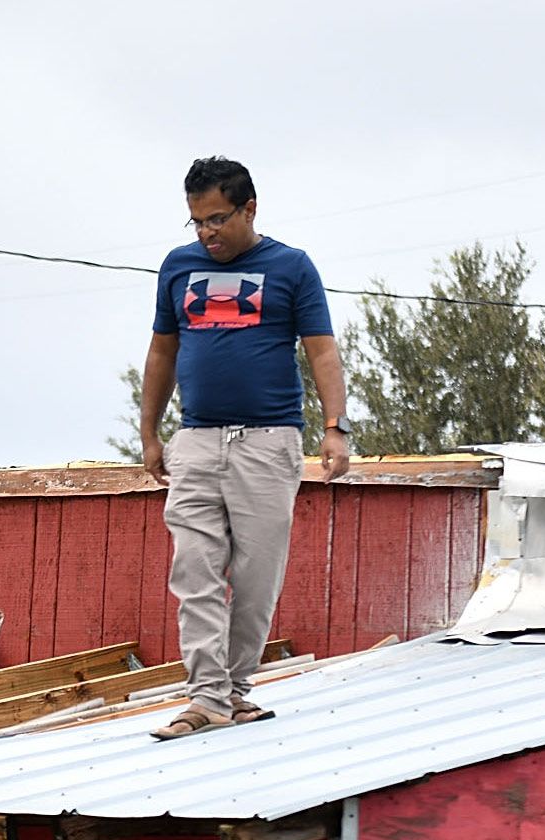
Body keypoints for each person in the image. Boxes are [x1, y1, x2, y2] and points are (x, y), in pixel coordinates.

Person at [137, 155, 353, 740]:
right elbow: (162, 351)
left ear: (249, 208)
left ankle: (234, 691)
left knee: (256, 576)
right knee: (195, 569)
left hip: (268, 441)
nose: (207, 233)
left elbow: (322, 351)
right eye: (197, 222)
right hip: (197, 440)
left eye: (217, 219)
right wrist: (150, 432)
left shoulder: (291, 267)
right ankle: (205, 696)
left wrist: (336, 427)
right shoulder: (178, 269)